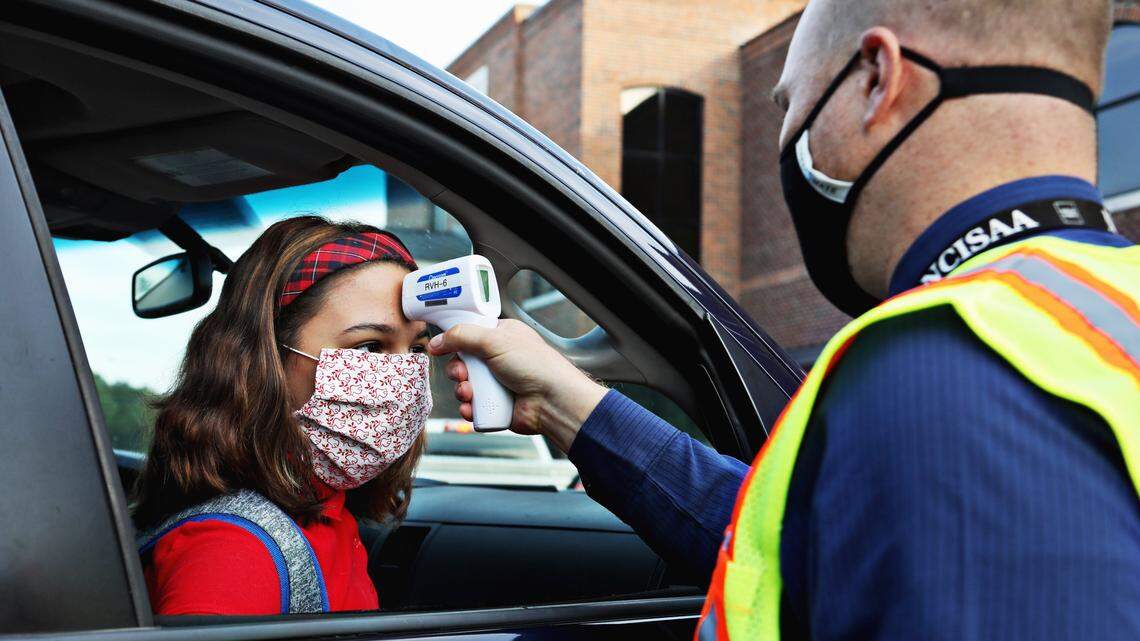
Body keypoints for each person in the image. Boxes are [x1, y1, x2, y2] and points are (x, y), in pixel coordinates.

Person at [430, 0, 1139, 638]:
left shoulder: (943, 374)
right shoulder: (1101, 311)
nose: (788, 143)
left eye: (792, 105)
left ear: (876, 80)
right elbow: (788, 547)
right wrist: (569, 405)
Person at [133, 217, 433, 615]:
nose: (402, 379)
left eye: (416, 351)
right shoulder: (231, 553)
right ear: (268, 358)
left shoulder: (328, 506)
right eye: (368, 349)